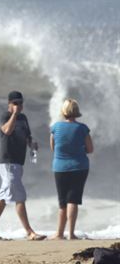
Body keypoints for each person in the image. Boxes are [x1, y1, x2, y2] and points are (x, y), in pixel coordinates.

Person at [0, 91, 46, 241]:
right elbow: (7, 130)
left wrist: (32, 144)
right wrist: (14, 114)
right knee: (18, 195)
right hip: (7, 162)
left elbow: (27, 136)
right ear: (9, 104)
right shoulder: (6, 116)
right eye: (15, 103)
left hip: (18, 162)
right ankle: (29, 232)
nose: (19, 106)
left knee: (6, 197)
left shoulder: (24, 118)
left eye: (21, 103)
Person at [49, 98, 93, 240]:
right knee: (73, 199)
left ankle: (59, 233)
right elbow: (90, 149)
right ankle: (71, 233)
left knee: (62, 202)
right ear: (76, 111)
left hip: (60, 167)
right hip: (79, 166)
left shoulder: (55, 127)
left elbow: (53, 148)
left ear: (63, 111)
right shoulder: (82, 128)